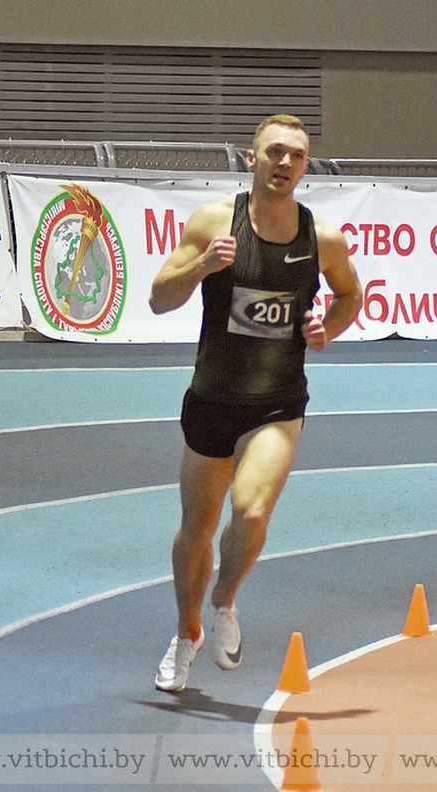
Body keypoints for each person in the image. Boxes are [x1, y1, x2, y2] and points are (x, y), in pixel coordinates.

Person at [149, 114, 363, 692]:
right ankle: (187, 632)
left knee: (249, 511)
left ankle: (224, 600)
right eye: (274, 152)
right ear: (252, 158)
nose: (285, 163)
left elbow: (350, 294)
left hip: (277, 403)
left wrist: (326, 330)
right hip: (211, 398)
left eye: (296, 155)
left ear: (305, 166)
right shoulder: (214, 221)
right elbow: (158, 299)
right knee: (196, 529)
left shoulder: (321, 239)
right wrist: (202, 266)